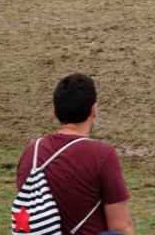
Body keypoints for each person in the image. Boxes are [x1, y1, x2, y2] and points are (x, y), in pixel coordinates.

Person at [15, 73, 133, 235]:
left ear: (55, 112)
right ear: (93, 110)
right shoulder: (102, 155)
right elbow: (121, 227)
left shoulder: (31, 153)